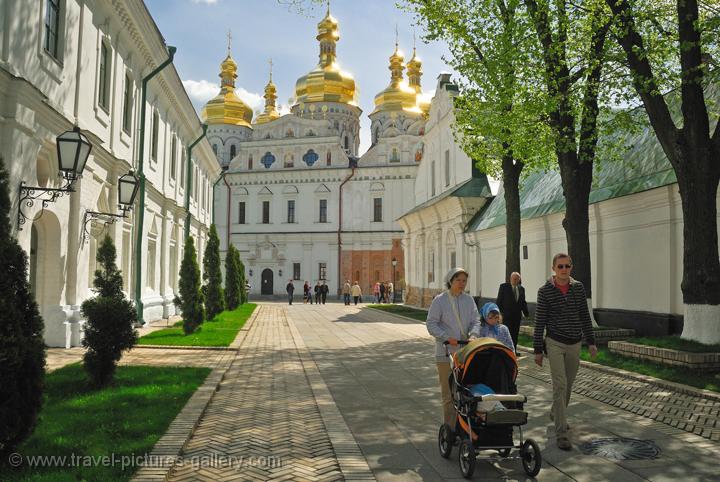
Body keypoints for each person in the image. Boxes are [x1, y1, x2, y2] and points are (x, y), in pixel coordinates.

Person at [534, 253, 597, 451]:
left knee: (569, 384)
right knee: (560, 385)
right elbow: (539, 322)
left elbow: (585, 316)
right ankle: (561, 432)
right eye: (560, 266)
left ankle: (556, 412)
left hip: (575, 342)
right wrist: (537, 350)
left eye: (567, 266)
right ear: (553, 268)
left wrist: (591, 342)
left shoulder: (578, 288)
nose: (563, 269)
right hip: (554, 342)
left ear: (571, 267)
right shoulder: (544, 291)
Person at [426, 267, 482, 430]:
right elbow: (431, 323)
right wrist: (445, 337)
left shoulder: (468, 300)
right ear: (450, 281)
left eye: (464, 280)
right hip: (446, 353)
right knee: (449, 394)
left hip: (465, 353)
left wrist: (473, 335)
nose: (462, 283)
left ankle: (466, 426)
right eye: (458, 280)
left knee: (465, 392)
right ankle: (450, 428)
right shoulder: (440, 300)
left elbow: (476, 320)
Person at [496, 272, 529, 354]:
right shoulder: (504, 287)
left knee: (515, 334)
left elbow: (523, 302)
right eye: (514, 278)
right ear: (510, 279)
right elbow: (499, 300)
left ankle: (513, 351)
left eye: (517, 279)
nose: (515, 280)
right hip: (506, 316)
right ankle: (505, 351)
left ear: (519, 280)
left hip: (517, 317)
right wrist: (498, 314)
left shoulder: (521, 289)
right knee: (507, 333)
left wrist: (526, 313)